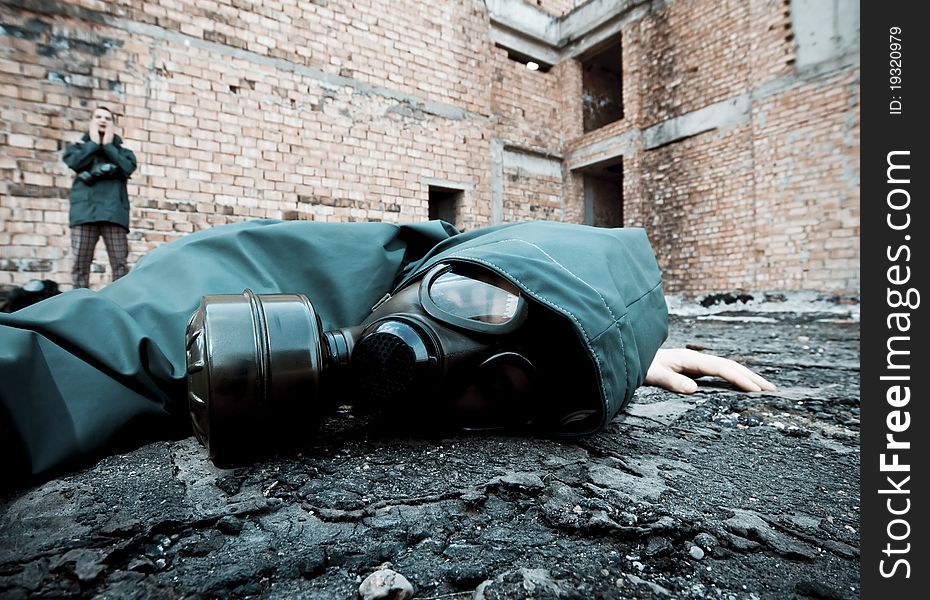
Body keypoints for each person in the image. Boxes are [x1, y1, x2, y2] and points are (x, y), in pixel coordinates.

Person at [0, 219, 773, 482]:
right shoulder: (275, 273)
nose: (449, 353)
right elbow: (73, 357)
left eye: (502, 385)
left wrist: (617, 351)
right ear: (439, 262)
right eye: (473, 301)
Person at [62, 106, 137, 289]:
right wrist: (94, 144)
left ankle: (121, 303)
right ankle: (79, 304)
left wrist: (108, 146)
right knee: (80, 264)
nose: (103, 120)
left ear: (113, 124)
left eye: (107, 118)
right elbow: (74, 162)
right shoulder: (77, 149)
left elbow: (127, 167)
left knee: (120, 264)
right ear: (91, 122)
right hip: (84, 213)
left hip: (114, 213)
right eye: (98, 117)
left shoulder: (124, 153)